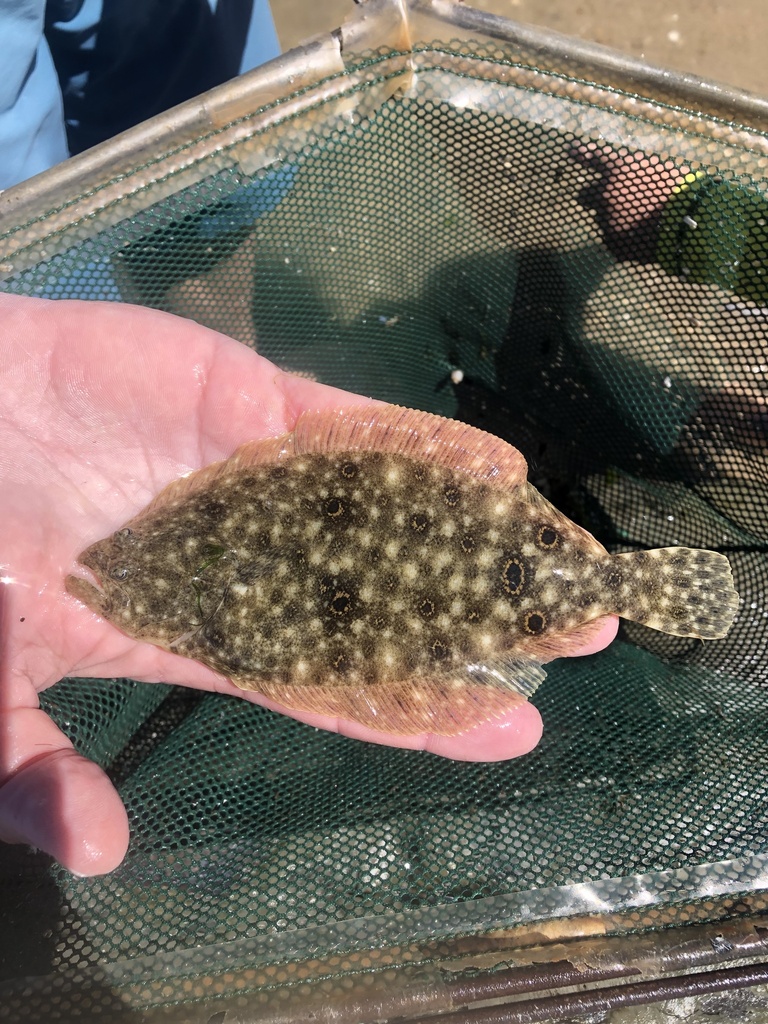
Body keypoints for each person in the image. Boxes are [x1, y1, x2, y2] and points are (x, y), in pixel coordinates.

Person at [0, 294, 619, 876]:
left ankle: (618, 588)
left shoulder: (210, 572)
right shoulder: (207, 544)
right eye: (129, 566)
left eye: (129, 566)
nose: (112, 577)